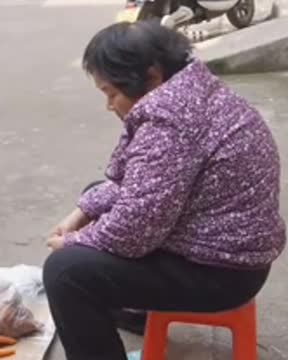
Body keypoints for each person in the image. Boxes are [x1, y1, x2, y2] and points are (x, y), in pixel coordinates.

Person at [42, 20, 286, 360]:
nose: (109, 105)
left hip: (220, 274)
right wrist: (81, 212)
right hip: (227, 251)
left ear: (152, 76)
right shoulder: (192, 89)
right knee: (96, 199)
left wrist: (69, 242)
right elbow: (133, 184)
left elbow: (133, 230)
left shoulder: (170, 121)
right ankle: (137, 310)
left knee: (66, 273)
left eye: (111, 93)